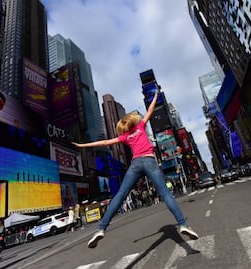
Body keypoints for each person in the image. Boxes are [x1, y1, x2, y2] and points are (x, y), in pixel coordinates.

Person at [72, 88, 198, 249]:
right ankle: (182, 224)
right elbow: (150, 110)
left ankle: (101, 229)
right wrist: (157, 95)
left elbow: (104, 143)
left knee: (120, 195)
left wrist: (83, 145)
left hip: (135, 164)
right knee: (165, 193)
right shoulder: (141, 126)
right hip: (150, 162)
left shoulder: (124, 136)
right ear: (133, 120)